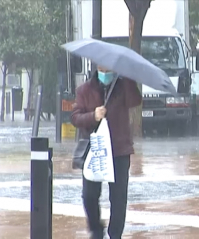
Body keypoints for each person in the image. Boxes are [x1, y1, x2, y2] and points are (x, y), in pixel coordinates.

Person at [71, 66, 142, 239]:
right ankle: (97, 230)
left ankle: (115, 234)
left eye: (110, 65)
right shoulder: (84, 90)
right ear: (97, 66)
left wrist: (129, 78)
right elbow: (75, 117)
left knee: (118, 199)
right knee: (89, 195)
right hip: (94, 151)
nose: (106, 68)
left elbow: (135, 101)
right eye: (103, 65)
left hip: (119, 150)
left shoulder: (123, 86)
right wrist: (92, 116)